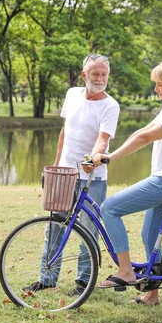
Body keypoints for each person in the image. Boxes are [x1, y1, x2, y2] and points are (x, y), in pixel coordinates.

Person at [91, 58, 162, 305]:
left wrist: (111, 157)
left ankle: (126, 271)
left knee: (110, 208)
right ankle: (152, 294)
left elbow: (147, 138)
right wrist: (106, 153)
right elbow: (141, 132)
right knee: (150, 235)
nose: (156, 89)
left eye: (160, 84)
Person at [25, 53, 120, 296]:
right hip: (65, 175)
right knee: (54, 225)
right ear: (84, 75)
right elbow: (64, 132)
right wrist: (55, 167)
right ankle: (47, 279)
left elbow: (103, 140)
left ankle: (83, 283)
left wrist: (91, 161)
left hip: (93, 178)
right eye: (95, 74)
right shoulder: (72, 94)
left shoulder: (110, 105)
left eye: (104, 74)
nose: (100, 79)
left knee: (89, 231)